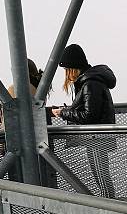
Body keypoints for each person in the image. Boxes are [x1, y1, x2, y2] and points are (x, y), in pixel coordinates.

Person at [50, 44, 117, 198]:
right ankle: (111, 209)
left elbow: (89, 116)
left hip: (96, 139)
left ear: (73, 68)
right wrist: (66, 110)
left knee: (102, 177)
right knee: (102, 176)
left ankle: (111, 212)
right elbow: (89, 111)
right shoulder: (91, 81)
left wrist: (63, 113)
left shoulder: (90, 84)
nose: (66, 74)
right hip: (96, 138)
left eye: (67, 69)